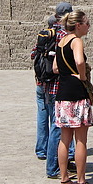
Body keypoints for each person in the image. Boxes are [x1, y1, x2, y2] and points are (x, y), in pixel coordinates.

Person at [53, 9, 93, 184]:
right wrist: (82, 75)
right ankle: (81, 182)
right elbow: (79, 61)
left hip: (62, 92)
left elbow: (55, 67)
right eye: (87, 23)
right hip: (77, 92)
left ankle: (64, 180)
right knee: (81, 140)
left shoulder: (61, 41)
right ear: (78, 25)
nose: (89, 27)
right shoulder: (76, 41)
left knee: (64, 139)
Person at [43, 2, 75, 179]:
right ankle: (53, 167)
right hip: (59, 85)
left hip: (48, 85)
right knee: (59, 127)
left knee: (57, 126)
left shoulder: (47, 33)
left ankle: (61, 163)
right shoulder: (63, 35)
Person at [31, 15, 57, 160]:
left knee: (42, 117)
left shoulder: (42, 38)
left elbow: (33, 55)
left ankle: (41, 149)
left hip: (40, 84)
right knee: (56, 119)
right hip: (53, 85)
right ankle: (57, 150)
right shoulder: (58, 39)